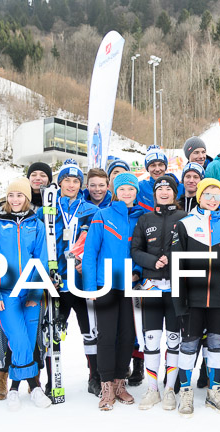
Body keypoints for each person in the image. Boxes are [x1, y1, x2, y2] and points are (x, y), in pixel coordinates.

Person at [171, 178, 220, 416]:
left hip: (219, 299)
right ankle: (187, 391)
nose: (212, 199)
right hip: (193, 299)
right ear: (199, 197)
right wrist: (179, 300)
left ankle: (214, 390)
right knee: (189, 344)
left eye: (217, 195)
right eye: (207, 194)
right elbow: (176, 265)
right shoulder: (185, 224)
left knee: (217, 344)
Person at [0, 178, 51, 411]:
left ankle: (25, 388)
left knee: (31, 340)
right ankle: (24, 387)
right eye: (11, 195)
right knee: (19, 339)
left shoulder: (37, 224)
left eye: (20, 195)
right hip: (6, 292)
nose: (15, 199)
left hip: (30, 291)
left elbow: (40, 259)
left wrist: (35, 290)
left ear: (26, 198)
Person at [37, 160, 100, 396]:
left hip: (82, 281)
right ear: (59, 182)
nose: (71, 185)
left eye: (76, 181)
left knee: (90, 330)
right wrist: (46, 272)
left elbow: (94, 244)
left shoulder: (91, 210)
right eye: (67, 180)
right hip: (58, 280)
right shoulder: (47, 210)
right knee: (53, 330)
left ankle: (95, 377)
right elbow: (40, 245)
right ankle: (53, 380)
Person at [83, 172, 144, 411]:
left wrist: (137, 272)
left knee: (128, 336)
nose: (127, 193)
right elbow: (90, 253)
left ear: (136, 192)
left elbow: (143, 250)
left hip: (129, 285)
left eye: (131, 189)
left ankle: (120, 382)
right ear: (115, 191)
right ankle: (106, 383)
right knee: (107, 335)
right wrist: (89, 287)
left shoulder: (141, 218)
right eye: (122, 189)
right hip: (105, 284)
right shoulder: (102, 215)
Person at [131, 175, 187, 411]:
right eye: (159, 188)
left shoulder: (185, 217)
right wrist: (155, 262)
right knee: (151, 341)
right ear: (154, 194)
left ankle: (169, 390)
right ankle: (152, 389)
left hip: (176, 287)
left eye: (168, 188)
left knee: (174, 341)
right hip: (152, 287)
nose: (164, 192)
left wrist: (171, 259)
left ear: (175, 193)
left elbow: (189, 247)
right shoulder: (145, 218)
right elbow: (135, 249)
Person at [138, 145, 179, 212]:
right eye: (153, 165)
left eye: (160, 165)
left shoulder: (178, 187)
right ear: (147, 168)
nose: (157, 169)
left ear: (165, 167)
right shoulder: (140, 187)